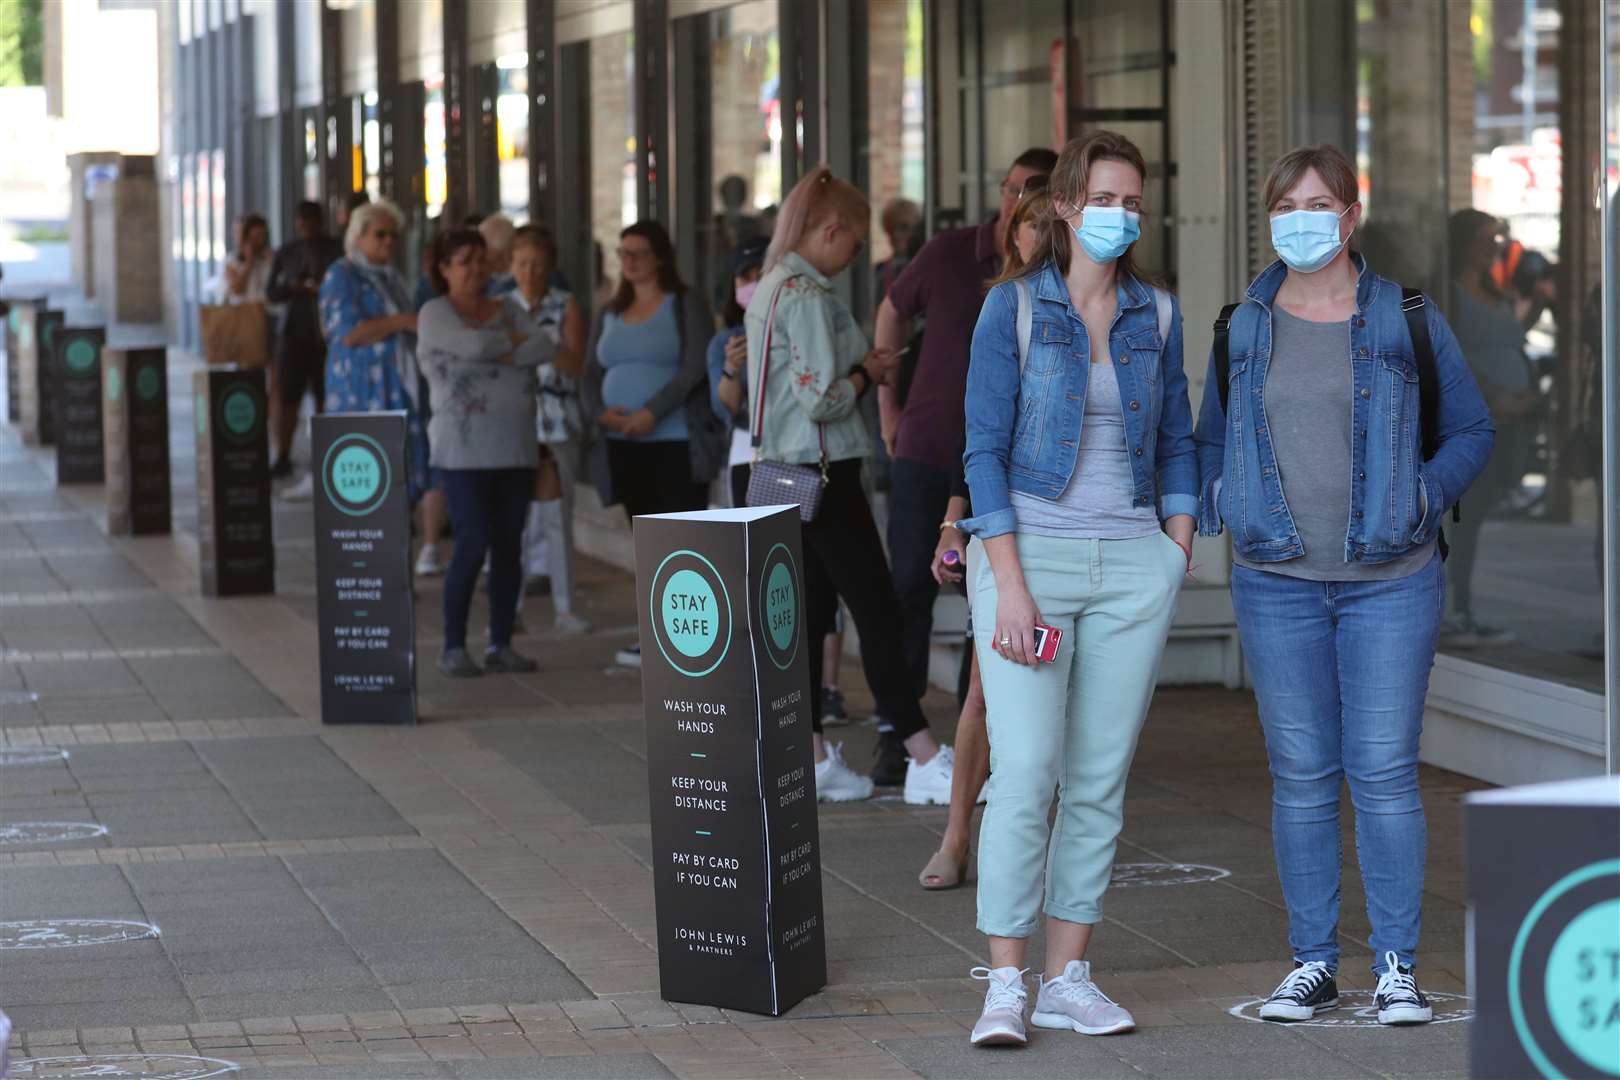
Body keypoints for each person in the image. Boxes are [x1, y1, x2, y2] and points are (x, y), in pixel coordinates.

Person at [1193, 144, 1494, 1027]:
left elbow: (1471, 430)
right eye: (1288, 204)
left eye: (1320, 203)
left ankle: (1397, 966)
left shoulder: (1405, 317)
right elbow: (1213, 435)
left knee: (1385, 773)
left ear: (1351, 216)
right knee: (1300, 776)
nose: (1303, 219)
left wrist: (1423, 494)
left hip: (1390, 579)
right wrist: (1225, 497)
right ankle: (1314, 963)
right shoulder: (1243, 322)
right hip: (1276, 580)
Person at [959, 132, 1195, 1048]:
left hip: (1132, 565)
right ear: (1062, 206)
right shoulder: (1011, 310)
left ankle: (1068, 977)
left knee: (1099, 780)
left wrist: (1173, 549)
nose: (1121, 215)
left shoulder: (1158, 314)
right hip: (1030, 564)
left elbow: (1176, 436)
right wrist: (1007, 584)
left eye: (1134, 201)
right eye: (1105, 197)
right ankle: (1006, 981)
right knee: (1024, 773)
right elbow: (981, 449)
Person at [746, 166, 955, 806]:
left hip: (778, 473)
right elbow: (823, 400)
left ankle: (808, 757)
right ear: (831, 231)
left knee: (803, 619)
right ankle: (919, 751)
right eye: (856, 242)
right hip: (821, 474)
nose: (858, 253)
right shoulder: (807, 299)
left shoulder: (770, 288)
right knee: (878, 610)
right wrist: (868, 372)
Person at [871, 147, 1056, 787]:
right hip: (928, 450)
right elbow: (893, 308)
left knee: (992, 608)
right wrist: (887, 405)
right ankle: (899, 734)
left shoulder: (1057, 281)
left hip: (1008, 473)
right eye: (1008, 189)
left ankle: (976, 740)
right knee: (909, 593)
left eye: (1030, 193)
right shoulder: (950, 252)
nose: (1013, 203)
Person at [918, 182, 1052, 892]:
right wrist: (951, 521)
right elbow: (980, 440)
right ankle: (958, 835)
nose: (1034, 236)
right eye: (1024, 224)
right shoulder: (1000, 312)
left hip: (1079, 536)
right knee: (982, 694)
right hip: (1004, 532)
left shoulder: (1103, 311)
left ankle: (1037, 843)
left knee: (1063, 700)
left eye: (1045, 222)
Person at [581, 221, 716, 669]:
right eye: (623, 253)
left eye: (638, 252)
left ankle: (690, 636)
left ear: (660, 257)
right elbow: (590, 373)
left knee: (683, 540)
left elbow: (695, 366)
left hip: (674, 441)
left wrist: (651, 412)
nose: (629, 261)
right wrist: (600, 412)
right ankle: (654, 632)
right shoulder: (609, 310)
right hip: (623, 444)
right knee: (646, 543)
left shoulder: (685, 305)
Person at [417, 227, 546, 677]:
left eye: (479, 259)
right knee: (472, 543)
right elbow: (473, 344)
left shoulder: (508, 307)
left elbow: (545, 344)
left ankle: (500, 643)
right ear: (444, 268)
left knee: (509, 546)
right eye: (463, 260)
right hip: (462, 451)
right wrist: (508, 346)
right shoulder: (435, 313)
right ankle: (453, 645)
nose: (475, 268)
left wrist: (491, 349)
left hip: (515, 446)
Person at [1442, 209, 1536, 646]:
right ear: (1462, 242)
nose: (1493, 248)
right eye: (1484, 239)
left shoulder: (1498, 291)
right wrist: (1494, 394)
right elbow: (1451, 358)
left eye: (1496, 240)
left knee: (1476, 518)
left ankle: (1463, 605)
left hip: (1509, 420)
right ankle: (1453, 608)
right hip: (1473, 420)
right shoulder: (1450, 294)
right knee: (1464, 517)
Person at [319, 198, 431, 508]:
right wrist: (400, 322)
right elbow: (347, 335)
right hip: (361, 391)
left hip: (398, 387)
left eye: (394, 235)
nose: (389, 241)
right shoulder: (342, 274)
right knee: (370, 480)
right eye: (380, 234)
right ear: (359, 236)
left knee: (399, 474)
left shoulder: (391, 276)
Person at [509, 224, 591, 635]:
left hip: (557, 415)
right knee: (514, 518)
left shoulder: (564, 304)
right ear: (511, 265)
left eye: (539, 264)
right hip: (513, 419)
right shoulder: (500, 306)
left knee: (559, 514)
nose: (530, 272)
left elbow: (574, 363)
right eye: (523, 263)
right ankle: (512, 608)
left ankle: (565, 607)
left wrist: (537, 344)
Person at [266, 201, 343, 479]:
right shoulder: (288, 251)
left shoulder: (334, 249)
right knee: (288, 398)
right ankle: (282, 454)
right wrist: (293, 287)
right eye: (302, 222)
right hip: (294, 334)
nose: (306, 227)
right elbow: (272, 292)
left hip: (325, 336)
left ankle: (325, 453)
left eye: (310, 221)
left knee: (326, 396)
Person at [218, 213, 273, 305]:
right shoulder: (232, 260)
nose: (259, 241)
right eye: (254, 237)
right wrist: (249, 263)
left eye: (262, 236)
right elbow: (236, 290)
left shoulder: (270, 259)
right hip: (241, 314)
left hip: (266, 314)